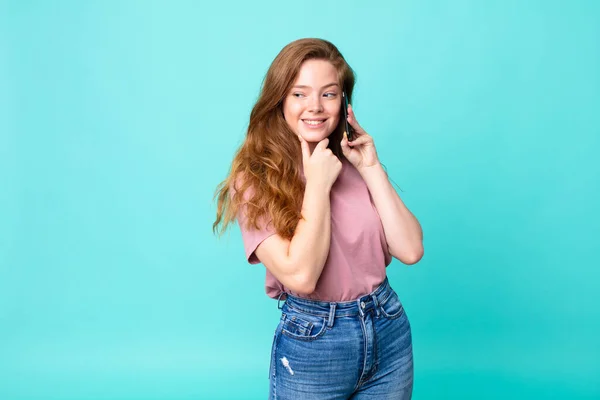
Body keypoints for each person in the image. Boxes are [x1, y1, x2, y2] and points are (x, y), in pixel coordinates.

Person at [213, 38, 424, 399]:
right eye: (299, 94)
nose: (315, 107)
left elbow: (410, 250)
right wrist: (318, 184)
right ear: (279, 99)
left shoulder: (353, 160)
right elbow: (302, 275)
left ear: (344, 102)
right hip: (314, 342)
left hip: (386, 326)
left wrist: (372, 168)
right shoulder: (254, 179)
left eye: (328, 94)